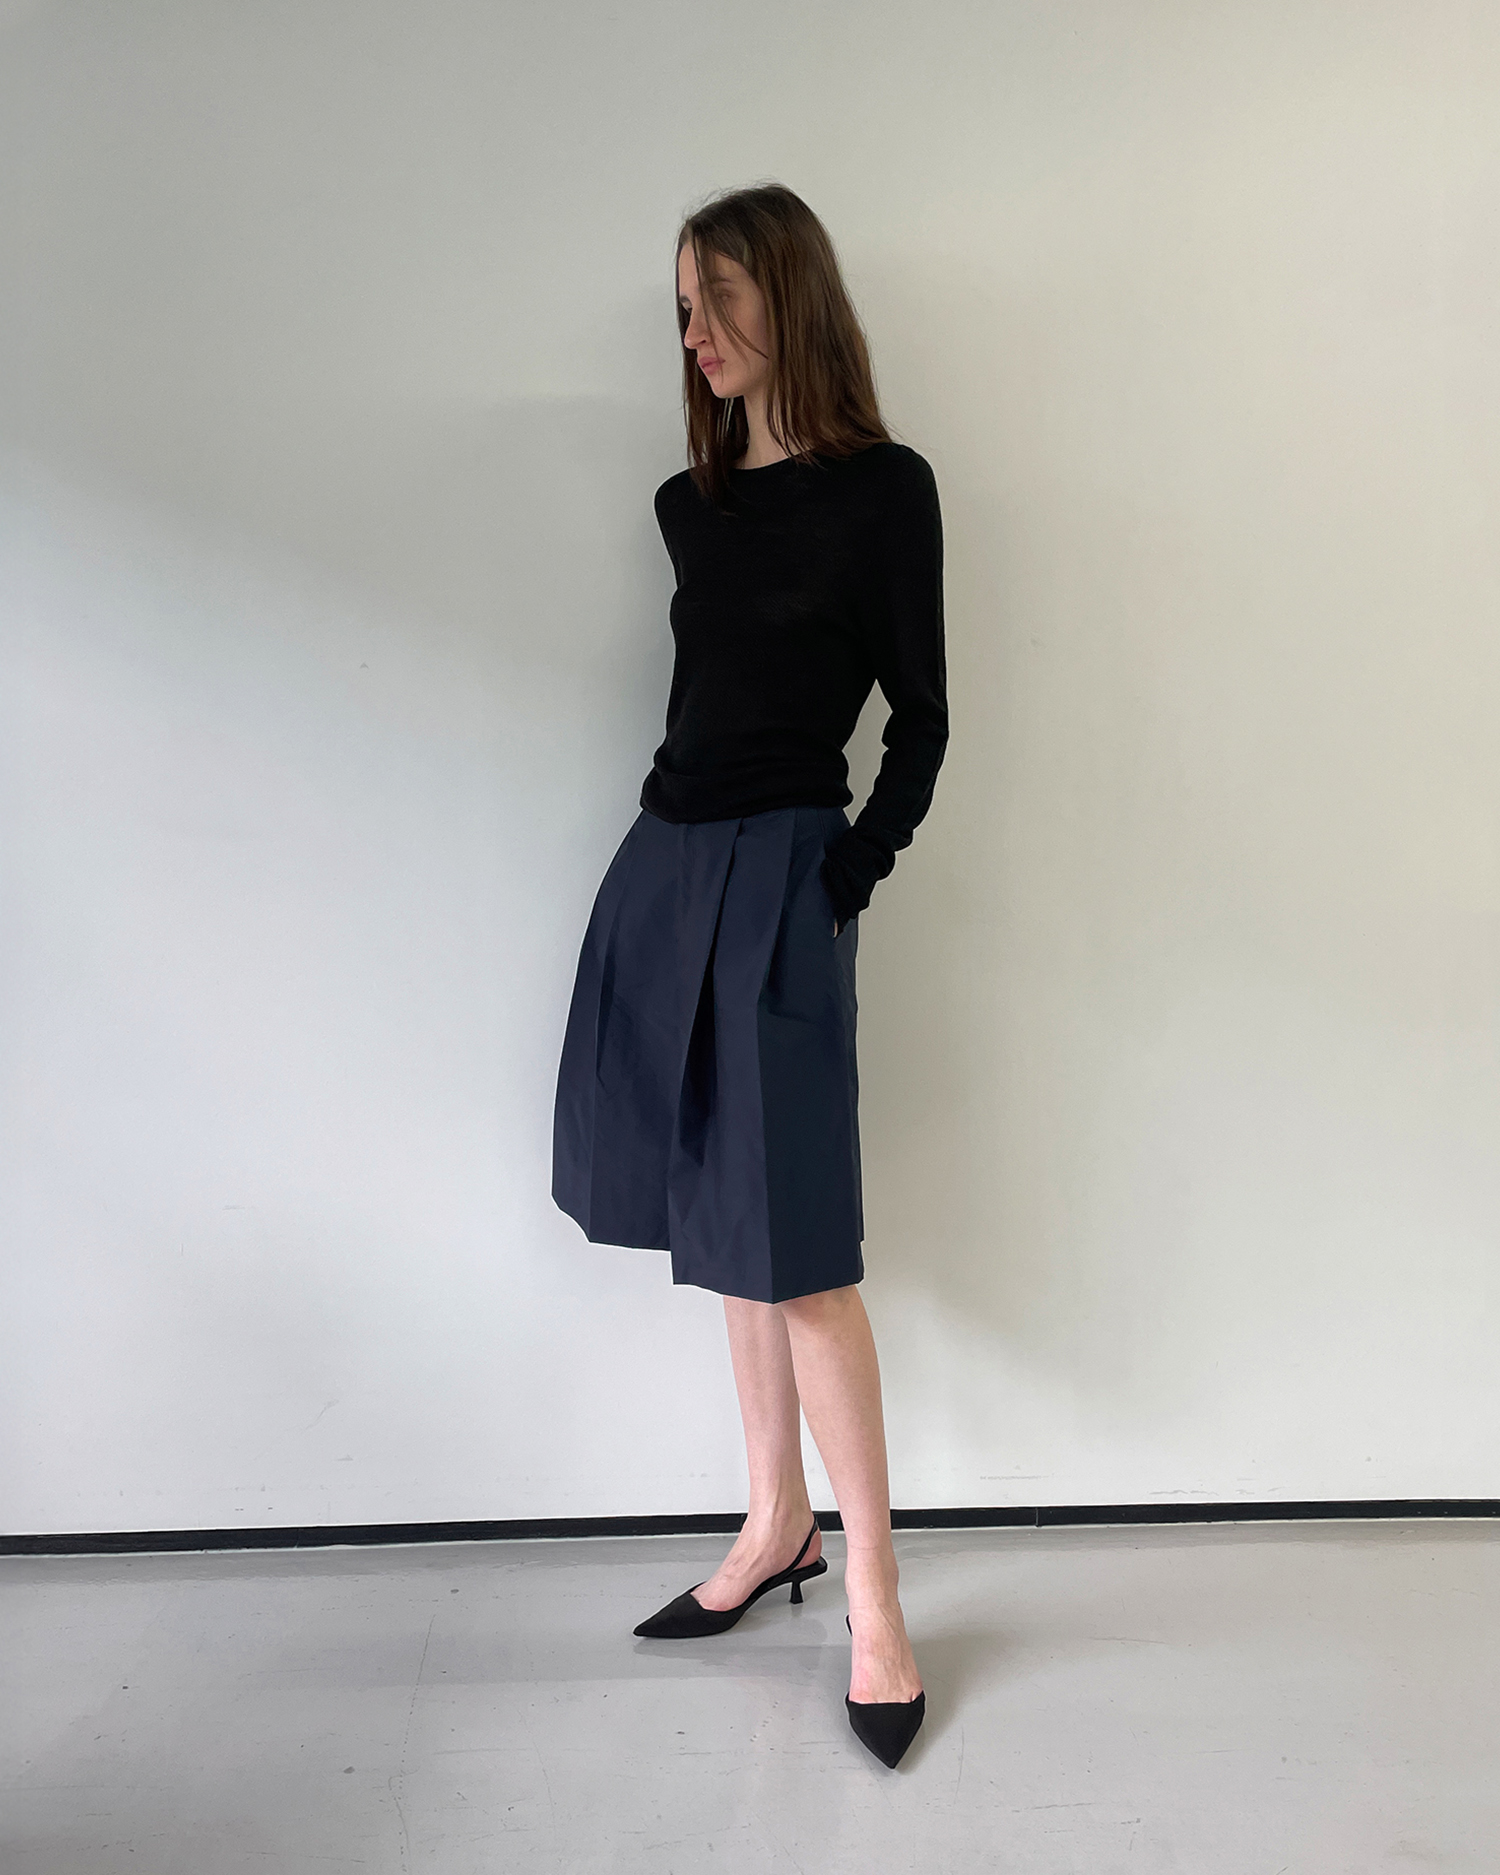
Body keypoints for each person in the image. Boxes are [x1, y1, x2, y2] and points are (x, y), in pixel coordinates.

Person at [552, 182, 948, 1769]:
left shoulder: (889, 490)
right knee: (730, 1229)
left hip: (787, 872)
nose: (696, 332)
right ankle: (774, 1517)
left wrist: (840, 881)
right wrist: (677, 880)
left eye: (718, 296)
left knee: (802, 1256)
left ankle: (878, 1608)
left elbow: (921, 721)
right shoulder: (689, 503)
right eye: (682, 307)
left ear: (792, 293)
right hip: (666, 866)